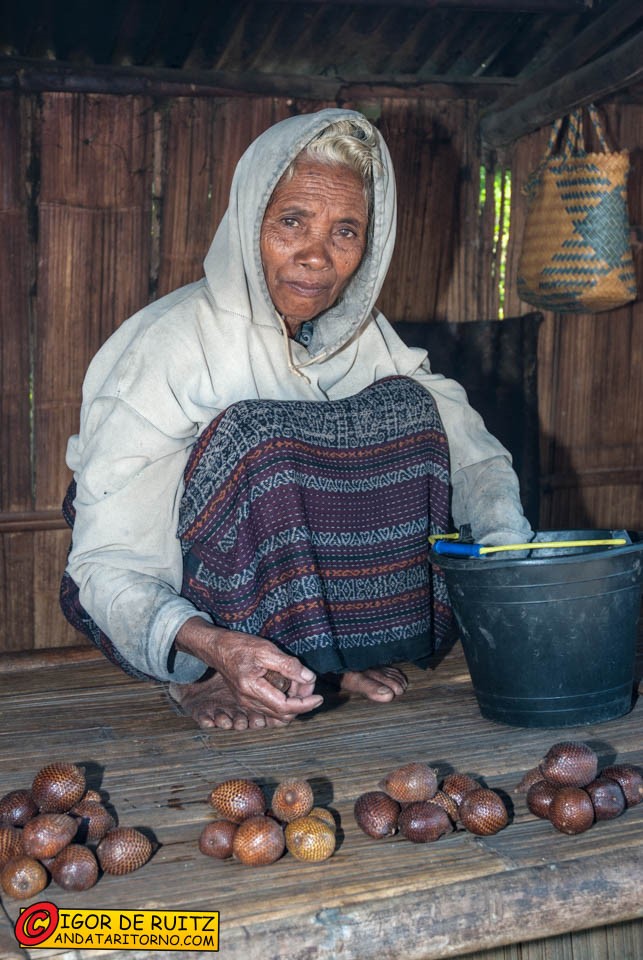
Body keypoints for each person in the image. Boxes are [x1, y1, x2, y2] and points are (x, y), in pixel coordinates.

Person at [60, 108, 532, 731]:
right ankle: (203, 679)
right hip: (156, 579)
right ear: (249, 224)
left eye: (345, 231)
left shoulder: (360, 338)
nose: (316, 257)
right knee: (259, 437)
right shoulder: (167, 345)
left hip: (270, 585)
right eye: (291, 222)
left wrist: (508, 557)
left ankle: (324, 660)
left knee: (412, 408)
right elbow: (107, 563)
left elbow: (469, 449)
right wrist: (210, 649)